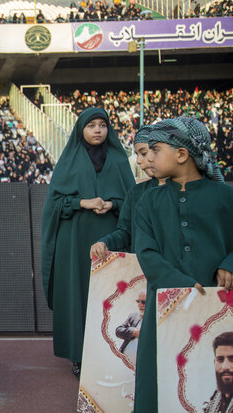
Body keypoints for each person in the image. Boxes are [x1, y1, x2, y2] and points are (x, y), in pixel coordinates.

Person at [133, 117, 233, 413]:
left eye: (156, 149)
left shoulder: (226, 197)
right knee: (158, 378)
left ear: (181, 154)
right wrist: (180, 285)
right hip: (163, 305)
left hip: (217, 305)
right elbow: (146, 252)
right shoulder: (148, 201)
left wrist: (230, 263)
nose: (148, 157)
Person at [41, 107, 134, 377]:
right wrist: (83, 202)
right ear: (80, 129)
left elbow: (131, 199)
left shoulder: (118, 159)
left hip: (112, 238)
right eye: (91, 125)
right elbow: (54, 204)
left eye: (102, 125)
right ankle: (79, 355)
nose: (97, 130)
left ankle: (114, 350)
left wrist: (112, 203)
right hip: (75, 242)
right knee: (78, 294)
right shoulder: (69, 159)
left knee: (109, 294)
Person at [90, 124, 165, 260]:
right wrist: (105, 242)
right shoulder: (136, 193)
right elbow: (126, 232)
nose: (139, 161)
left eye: (144, 153)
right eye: (137, 154)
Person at [204, 331, 233, 413]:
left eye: (232, 359)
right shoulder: (215, 400)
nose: (225, 367)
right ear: (214, 362)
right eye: (220, 359)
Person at [115, 290, 146, 365]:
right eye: (138, 301)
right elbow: (118, 331)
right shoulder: (133, 316)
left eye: (143, 302)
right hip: (125, 365)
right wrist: (133, 332)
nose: (140, 304)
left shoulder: (157, 319)